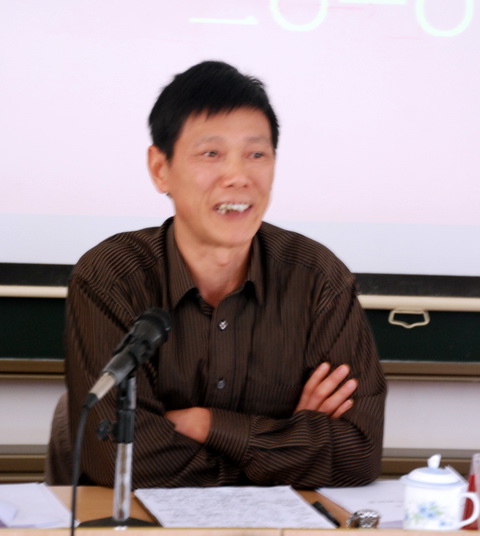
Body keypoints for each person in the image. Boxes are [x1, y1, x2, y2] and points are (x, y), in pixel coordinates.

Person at [50, 60, 386, 489]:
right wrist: (286, 445)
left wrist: (205, 424)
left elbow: (357, 453)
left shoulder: (318, 278)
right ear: (160, 169)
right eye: (211, 154)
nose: (238, 176)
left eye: (256, 154)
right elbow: (122, 458)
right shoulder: (112, 276)